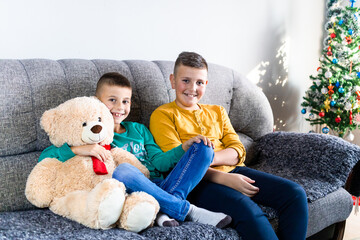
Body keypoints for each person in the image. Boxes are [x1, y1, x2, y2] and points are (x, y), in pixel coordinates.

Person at [39, 72, 232, 228]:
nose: (120, 107)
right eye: (112, 100)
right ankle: (188, 211)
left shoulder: (139, 129)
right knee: (121, 170)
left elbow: (159, 161)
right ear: (97, 101)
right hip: (131, 187)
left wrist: (183, 148)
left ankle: (164, 208)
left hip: (162, 181)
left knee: (204, 149)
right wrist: (80, 149)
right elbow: (46, 156)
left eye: (125, 101)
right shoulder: (93, 135)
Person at [149, 51, 309, 240]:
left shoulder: (218, 112)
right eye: (186, 80)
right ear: (173, 81)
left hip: (235, 170)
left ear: (206, 85)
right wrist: (224, 178)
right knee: (248, 210)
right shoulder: (163, 115)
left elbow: (238, 149)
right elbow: (179, 166)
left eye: (199, 82)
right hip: (199, 184)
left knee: (295, 194)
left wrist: (208, 158)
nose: (192, 88)